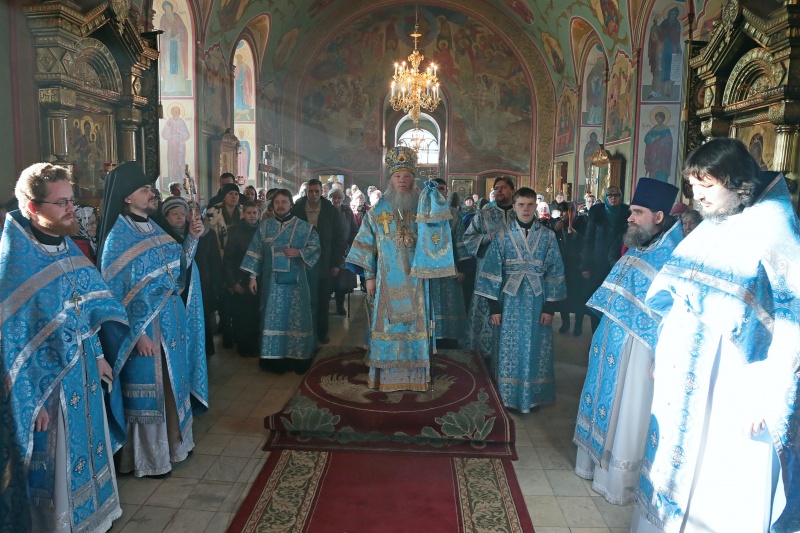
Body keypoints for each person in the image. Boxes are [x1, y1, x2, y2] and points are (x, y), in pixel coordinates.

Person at [632, 138, 800, 533]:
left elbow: (791, 321)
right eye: (693, 186)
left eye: (707, 186)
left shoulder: (773, 226)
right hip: (685, 373)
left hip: (734, 379)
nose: (697, 196)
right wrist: (663, 352)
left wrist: (767, 396)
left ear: (737, 182)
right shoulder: (710, 227)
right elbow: (675, 297)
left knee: (719, 472)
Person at [1, 163, 130, 532]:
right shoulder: (14, 269)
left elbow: (87, 310)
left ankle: (95, 516)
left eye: (71, 200)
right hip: (49, 388)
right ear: (32, 209)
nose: (72, 209)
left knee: (90, 447)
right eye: (61, 203)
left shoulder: (71, 252)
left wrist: (102, 357)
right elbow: (11, 348)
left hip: (86, 374)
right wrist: (32, 401)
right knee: (59, 462)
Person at [573, 178, 682, 506]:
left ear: (658, 217)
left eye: (637, 212)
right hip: (613, 345)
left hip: (638, 353)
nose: (630, 218)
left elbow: (673, 315)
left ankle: (618, 479)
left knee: (629, 408)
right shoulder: (641, 246)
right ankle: (592, 463)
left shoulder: (673, 255)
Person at [99, 162, 208, 478]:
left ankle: (175, 446)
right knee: (152, 392)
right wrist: (134, 335)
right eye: (145, 189)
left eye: (151, 188)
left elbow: (179, 274)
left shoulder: (155, 228)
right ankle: (150, 459)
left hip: (172, 327)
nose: (152, 193)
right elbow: (111, 297)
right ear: (127, 197)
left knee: (172, 387)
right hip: (145, 333)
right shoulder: (117, 238)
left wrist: (192, 238)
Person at [346, 147, 455, 391]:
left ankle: (415, 375)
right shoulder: (377, 212)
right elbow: (365, 247)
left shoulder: (424, 209)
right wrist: (370, 278)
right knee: (388, 325)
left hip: (417, 279)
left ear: (413, 179)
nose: (402, 181)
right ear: (390, 181)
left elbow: (440, 236)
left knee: (416, 325)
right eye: (397, 177)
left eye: (406, 176)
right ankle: (386, 376)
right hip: (387, 281)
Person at [474, 187, 566, 412]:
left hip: (537, 301)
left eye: (530, 205)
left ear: (536, 207)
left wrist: (550, 309)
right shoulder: (503, 237)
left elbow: (555, 271)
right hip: (508, 301)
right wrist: (494, 307)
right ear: (513, 208)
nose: (526, 209)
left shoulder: (548, 236)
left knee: (535, 345)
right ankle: (505, 395)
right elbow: (491, 272)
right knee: (508, 346)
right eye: (521, 205)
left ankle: (532, 395)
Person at [241, 189, 320, 373]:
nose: (280, 206)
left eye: (284, 202)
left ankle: (298, 358)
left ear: (291, 204)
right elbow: (256, 251)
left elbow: (316, 247)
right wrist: (252, 277)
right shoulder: (265, 226)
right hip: (272, 282)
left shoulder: (303, 227)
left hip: (297, 284)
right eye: (277, 202)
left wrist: (299, 252)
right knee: (273, 318)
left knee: (296, 317)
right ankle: (273, 360)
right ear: (272, 205)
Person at [162, 196, 222, 356]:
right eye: (175, 214)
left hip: (196, 284)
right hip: (175, 291)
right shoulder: (163, 238)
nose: (180, 217)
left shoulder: (196, 232)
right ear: (166, 217)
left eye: (183, 213)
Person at [464, 176, 516, 359]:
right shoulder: (484, 214)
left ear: (512, 191)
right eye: (497, 188)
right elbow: (468, 238)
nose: (499, 191)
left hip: (513, 274)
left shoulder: (520, 213)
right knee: (485, 308)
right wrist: (488, 237)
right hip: (486, 271)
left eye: (503, 187)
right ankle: (482, 352)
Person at [290, 178, 344, 344]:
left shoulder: (330, 210)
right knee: (303, 298)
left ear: (322, 192)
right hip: (301, 260)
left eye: (317, 191)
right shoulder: (297, 209)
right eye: (310, 191)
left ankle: (322, 332)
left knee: (322, 299)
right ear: (306, 192)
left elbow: (338, 238)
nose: (313, 194)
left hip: (323, 261)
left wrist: (335, 263)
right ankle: (303, 332)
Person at [580, 185, 629, 332]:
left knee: (615, 301)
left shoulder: (626, 213)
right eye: (610, 195)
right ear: (606, 198)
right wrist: (585, 265)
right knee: (598, 300)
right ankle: (596, 335)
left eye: (616, 195)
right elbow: (588, 240)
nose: (613, 198)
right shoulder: (597, 213)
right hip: (597, 262)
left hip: (618, 263)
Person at [431, 178, 470, 348]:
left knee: (450, 306)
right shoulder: (421, 213)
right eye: (436, 189)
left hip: (450, 269)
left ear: (447, 192)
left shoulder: (454, 215)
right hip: (427, 271)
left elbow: (460, 242)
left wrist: (462, 269)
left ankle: (450, 343)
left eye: (442, 189)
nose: (439, 192)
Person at [205, 183, 241, 347]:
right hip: (219, 261)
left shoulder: (243, 212)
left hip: (238, 262)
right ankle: (227, 334)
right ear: (224, 196)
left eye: (236, 193)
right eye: (230, 193)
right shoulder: (213, 213)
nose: (234, 196)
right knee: (224, 299)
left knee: (238, 298)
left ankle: (238, 332)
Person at [223, 200, 261, 355]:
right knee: (243, 316)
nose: (252, 216)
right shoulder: (235, 231)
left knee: (256, 315)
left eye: (255, 213)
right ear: (243, 214)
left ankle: (257, 345)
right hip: (241, 280)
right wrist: (233, 282)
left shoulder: (263, 230)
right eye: (249, 213)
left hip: (260, 279)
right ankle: (245, 348)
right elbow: (228, 259)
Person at [552, 201, 589, 335]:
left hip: (577, 266)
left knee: (578, 297)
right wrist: (555, 229)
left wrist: (576, 235)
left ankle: (578, 325)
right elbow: (547, 239)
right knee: (563, 298)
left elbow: (588, 243)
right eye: (560, 211)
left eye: (565, 211)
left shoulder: (581, 221)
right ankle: (565, 323)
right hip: (561, 266)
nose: (562, 214)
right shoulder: (556, 223)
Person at [330, 188, 358, 316]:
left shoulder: (347, 211)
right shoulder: (326, 211)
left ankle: (340, 305)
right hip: (330, 249)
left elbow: (353, 228)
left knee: (342, 281)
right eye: (334, 197)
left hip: (344, 249)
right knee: (330, 279)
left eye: (339, 198)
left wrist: (353, 243)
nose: (336, 200)